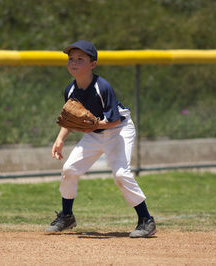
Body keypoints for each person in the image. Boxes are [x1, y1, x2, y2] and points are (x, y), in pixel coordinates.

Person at [45, 40, 156, 238]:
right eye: (71, 59)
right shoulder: (70, 90)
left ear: (93, 64)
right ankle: (67, 216)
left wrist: (92, 125)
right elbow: (72, 119)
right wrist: (60, 139)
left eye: (80, 59)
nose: (74, 63)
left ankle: (146, 220)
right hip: (94, 134)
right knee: (69, 169)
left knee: (121, 175)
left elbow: (114, 120)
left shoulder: (102, 87)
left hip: (118, 130)